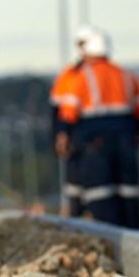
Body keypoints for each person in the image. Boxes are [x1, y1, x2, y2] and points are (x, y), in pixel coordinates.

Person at [57, 28, 139, 228]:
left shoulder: (81, 77)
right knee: (129, 192)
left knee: (100, 194)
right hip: (126, 139)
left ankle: (112, 236)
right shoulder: (126, 75)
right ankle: (134, 235)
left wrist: (63, 135)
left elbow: (68, 111)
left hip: (95, 142)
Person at [49, 24, 98, 217]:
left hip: (97, 140)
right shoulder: (69, 75)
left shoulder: (105, 73)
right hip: (77, 139)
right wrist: (61, 136)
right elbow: (57, 109)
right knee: (76, 187)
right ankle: (78, 216)